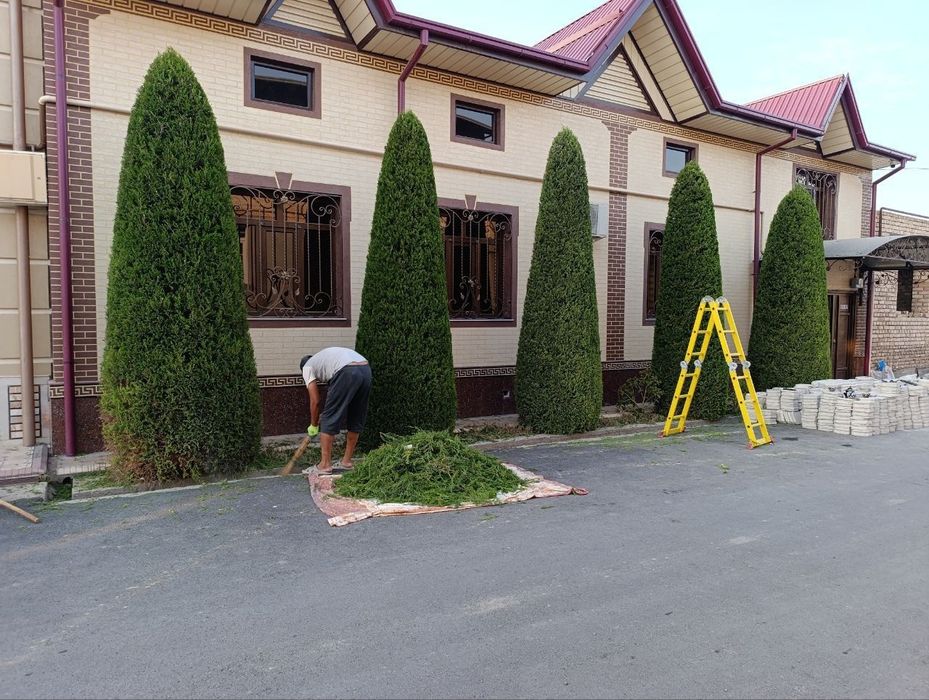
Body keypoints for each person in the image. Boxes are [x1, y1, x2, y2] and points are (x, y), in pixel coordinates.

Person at [300, 347, 371, 474]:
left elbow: (315, 401)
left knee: (328, 418)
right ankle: (346, 462)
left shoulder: (307, 367)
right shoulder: (324, 359)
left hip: (346, 371)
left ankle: (325, 465)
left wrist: (314, 424)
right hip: (365, 369)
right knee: (356, 415)